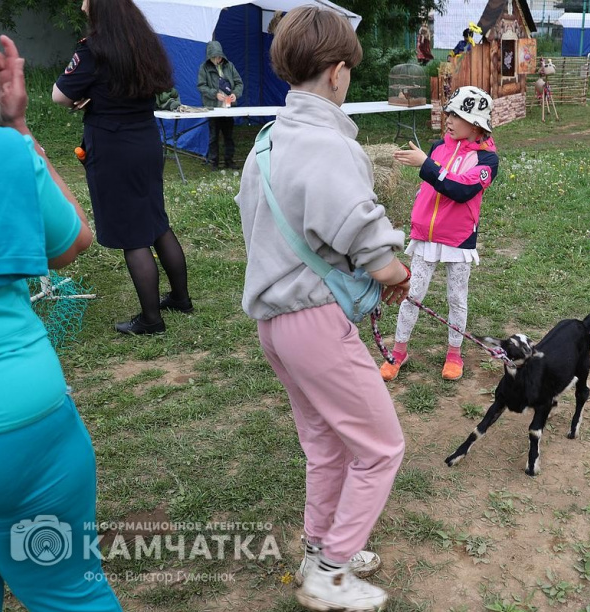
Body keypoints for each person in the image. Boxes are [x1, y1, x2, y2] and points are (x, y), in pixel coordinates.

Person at [234, 6, 411, 611]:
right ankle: (330, 572)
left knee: (327, 443)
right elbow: (366, 236)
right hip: (314, 322)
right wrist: (393, 269)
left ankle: (321, 547)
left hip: (274, 323)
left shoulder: (267, 143)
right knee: (381, 447)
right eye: (350, 72)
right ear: (338, 73)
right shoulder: (327, 144)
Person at [0, 9, 121, 610]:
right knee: (69, 594)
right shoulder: (2, 153)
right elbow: (71, 243)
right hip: (17, 419)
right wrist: (18, 127)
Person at [53, 0, 193, 335]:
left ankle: (151, 319)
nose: (83, 5)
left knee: (132, 234)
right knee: (156, 221)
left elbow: (60, 95)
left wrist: (85, 96)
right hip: (146, 139)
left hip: (113, 146)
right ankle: (180, 299)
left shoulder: (94, 49)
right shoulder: (143, 41)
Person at [380, 85, 499, 383]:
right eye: (448, 112)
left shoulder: (487, 160)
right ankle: (399, 350)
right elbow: (433, 182)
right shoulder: (436, 147)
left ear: (475, 124)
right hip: (425, 237)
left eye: (456, 114)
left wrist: (427, 165)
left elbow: (461, 190)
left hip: (458, 241)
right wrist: (429, 163)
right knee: (412, 293)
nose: (448, 118)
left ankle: (454, 353)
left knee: (457, 298)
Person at [197, 41, 244, 170]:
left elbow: (239, 83)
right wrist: (214, 94)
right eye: (214, 57)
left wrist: (235, 94)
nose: (217, 59)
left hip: (228, 107)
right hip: (213, 107)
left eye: (219, 56)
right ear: (209, 56)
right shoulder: (204, 68)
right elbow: (201, 86)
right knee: (213, 136)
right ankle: (214, 162)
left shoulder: (230, 66)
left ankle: (229, 161)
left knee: (229, 135)